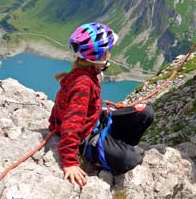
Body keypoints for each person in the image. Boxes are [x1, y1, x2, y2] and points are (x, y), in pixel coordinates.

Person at [49, 22, 154, 187]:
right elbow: (72, 124)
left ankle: (119, 146)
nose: (109, 54)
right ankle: (111, 152)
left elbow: (82, 109)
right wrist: (70, 162)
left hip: (94, 121)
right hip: (85, 137)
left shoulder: (86, 74)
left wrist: (103, 109)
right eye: (107, 51)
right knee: (130, 159)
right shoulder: (83, 84)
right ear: (99, 57)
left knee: (145, 112)